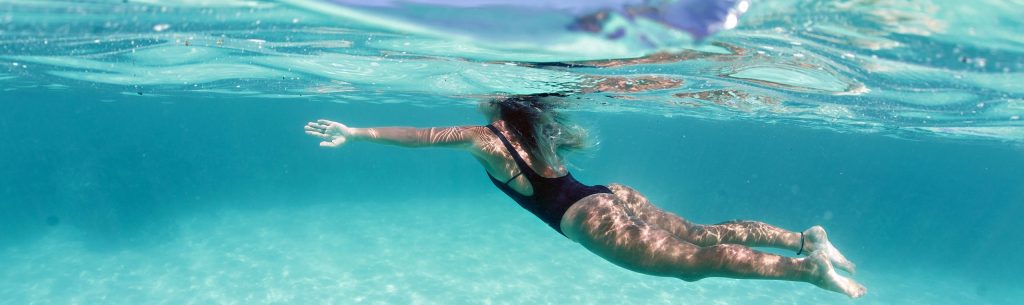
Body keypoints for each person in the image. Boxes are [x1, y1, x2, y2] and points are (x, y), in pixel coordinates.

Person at [303, 94, 866, 298]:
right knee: (704, 234)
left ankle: (810, 273)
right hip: (609, 194)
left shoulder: (488, 138)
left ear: (496, 104)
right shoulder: (536, 126)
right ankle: (803, 238)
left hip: (583, 214)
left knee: (693, 264)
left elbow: (424, 139)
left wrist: (357, 133)